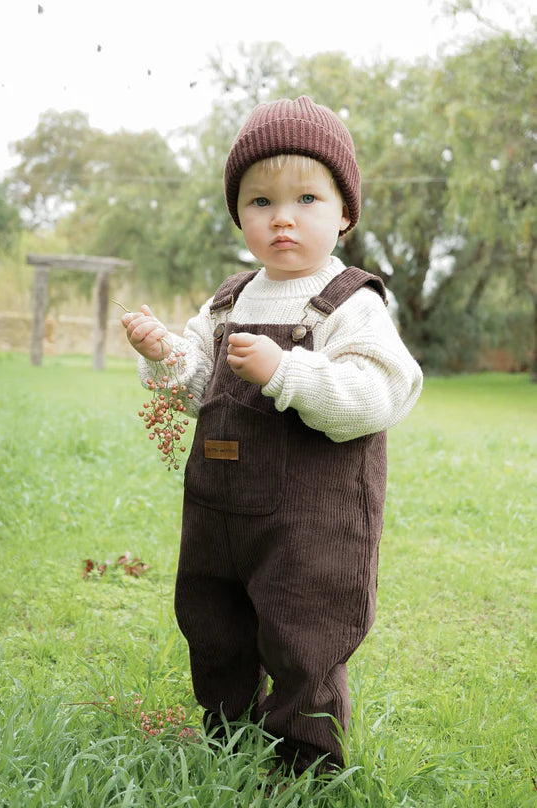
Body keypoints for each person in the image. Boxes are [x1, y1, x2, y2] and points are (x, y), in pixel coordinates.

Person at [121, 96, 423, 775]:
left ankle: (304, 763)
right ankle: (226, 731)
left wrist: (287, 370)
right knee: (213, 621)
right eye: (259, 202)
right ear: (239, 216)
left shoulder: (351, 303)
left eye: (307, 198)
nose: (282, 217)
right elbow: (196, 383)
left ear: (345, 213)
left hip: (312, 520)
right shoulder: (230, 300)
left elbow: (375, 397)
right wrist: (163, 350)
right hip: (219, 509)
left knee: (304, 634)